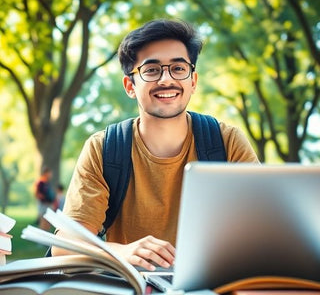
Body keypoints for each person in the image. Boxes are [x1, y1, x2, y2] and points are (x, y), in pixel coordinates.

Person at [53, 19, 259, 270]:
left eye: (178, 68)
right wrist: (120, 251)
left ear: (192, 81)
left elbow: (263, 228)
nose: (166, 79)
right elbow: (63, 246)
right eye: (151, 70)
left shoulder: (227, 142)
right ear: (130, 85)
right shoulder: (104, 148)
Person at [35, 166, 56, 231]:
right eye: (50, 173)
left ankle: (46, 236)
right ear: (46, 173)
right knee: (43, 221)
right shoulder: (40, 182)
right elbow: (37, 194)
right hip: (43, 205)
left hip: (49, 204)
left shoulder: (47, 182)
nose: (51, 175)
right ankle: (41, 237)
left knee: (48, 221)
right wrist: (45, 200)